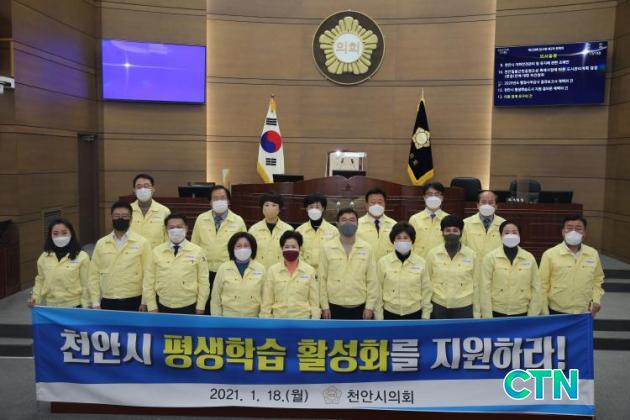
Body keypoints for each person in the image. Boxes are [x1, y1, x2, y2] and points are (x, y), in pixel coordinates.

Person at [191, 185, 247, 314]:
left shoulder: (238, 221)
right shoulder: (201, 219)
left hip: (227, 272)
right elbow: (194, 246)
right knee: (204, 307)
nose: (219, 201)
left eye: (223, 198)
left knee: (224, 306)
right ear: (210, 202)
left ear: (228, 201)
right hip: (204, 272)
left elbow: (243, 247)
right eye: (215, 198)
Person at [89, 201, 152, 311]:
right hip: (108, 300)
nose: (120, 219)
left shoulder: (142, 242)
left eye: (125, 216)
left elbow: (148, 274)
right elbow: (93, 274)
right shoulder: (101, 243)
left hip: (134, 300)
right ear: (111, 218)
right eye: (117, 216)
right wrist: (95, 302)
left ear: (131, 219)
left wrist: (145, 301)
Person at [319, 208, 380, 320]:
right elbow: (322, 279)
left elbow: (372, 280)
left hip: (361, 307)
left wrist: (369, 307)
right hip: (333, 306)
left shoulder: (367, 248)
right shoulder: (327, 248)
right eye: (344, 220)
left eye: (352, 220)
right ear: (337, 224)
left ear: (357, 224)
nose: (348, 223)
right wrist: (324, 306)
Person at [143, 214, 209, 314]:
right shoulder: (156, 251)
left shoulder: (198, 251)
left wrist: (201, 306)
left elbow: (203, 282)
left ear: (186, 228)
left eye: (179, 227)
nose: (175, 230)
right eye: (172, 227)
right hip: (162, 305)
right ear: (166, 230)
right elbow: (148, 281)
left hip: (189, 305)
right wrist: (152, 306)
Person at [539, 215, 604, 317]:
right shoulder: (550, 254)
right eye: (569, 228)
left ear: (584, 233)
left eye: (578, 228)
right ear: (563, 232)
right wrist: (544, 311)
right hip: (556, 311)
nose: (573, 232)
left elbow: (597, 280)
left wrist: (596, 300)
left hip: (584, 310)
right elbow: (542, 284)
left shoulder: (592, 253)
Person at [480, 221, 542, 318]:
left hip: (522, 311)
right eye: (507, 232)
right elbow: (485, 288)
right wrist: (487, 317)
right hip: (496, 311)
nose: (511, 235)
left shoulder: (529, 257)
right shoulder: (490, 257)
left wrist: (532, 315)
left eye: (514, 232)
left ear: (519, 235)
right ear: (501, 236)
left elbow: (536, 287)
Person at [425, 215, 480, 319]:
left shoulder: (471, 255)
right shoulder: (432, 254)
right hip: (438, 307)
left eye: (455, 230)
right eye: (447, 230)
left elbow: (476, 285)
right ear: (442, 232)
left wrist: (477, 313)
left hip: (464, 308)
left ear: (461, 232)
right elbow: (427, 283)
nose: (451, 233)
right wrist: (426, 311)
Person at [27, 219, 90, 308]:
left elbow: (86, 284)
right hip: (52, 306)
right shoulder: (44, 257)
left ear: (71, 234)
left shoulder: (82, 256)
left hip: (75, 306)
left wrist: (86, 307)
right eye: (55, 233)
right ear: (50, 236)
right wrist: (35, 298)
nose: (60, 237)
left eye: (64, 233)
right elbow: (40, 280)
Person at [377, 222, 432, 320]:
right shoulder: (383, 262)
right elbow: (378, 290)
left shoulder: (421, 262)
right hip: (389, 313)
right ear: (393, 241)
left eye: (406, 238)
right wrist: (379, 317)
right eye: (398, 238)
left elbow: (426, 291)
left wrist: (425, 316)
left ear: (412, 240)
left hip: (414, 313)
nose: (402, 241)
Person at [260, 231, 320, 319]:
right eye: (287, 247)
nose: (290, 249)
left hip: (303, 320)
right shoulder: (272, 271)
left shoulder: (310, 271)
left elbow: (314, 302)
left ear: (300, 248)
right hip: (279, 320)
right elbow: (267, 302)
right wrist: (267, 321)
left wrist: (314, 322)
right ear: (281, 248)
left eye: (294, 247)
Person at [210, 232, 265, 317]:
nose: (242, 249)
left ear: (252, 248)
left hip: (253, 319)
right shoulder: (223, 268)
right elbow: (215, 299)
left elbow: (266, 298)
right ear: (232, 248)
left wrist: (262, 320)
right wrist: (217, 320)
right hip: (227, 318)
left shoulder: (260, 268)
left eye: (246, 246)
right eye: (238, 246)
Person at [248, 192, 293, 268]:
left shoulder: (288, 230)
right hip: (259, 272)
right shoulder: (253, 229)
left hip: (281, 272)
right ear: (262, 208)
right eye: (267, 205)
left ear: (279, 209)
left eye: (274, 205)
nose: (270, 208)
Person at [295, 193, 338, 270]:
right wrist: (306, 270)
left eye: (317, 207)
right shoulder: (299, 231)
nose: (314, 210)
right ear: (306, 209)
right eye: (311, 207)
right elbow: (297, 252)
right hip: (305, 272)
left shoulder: (334, 231)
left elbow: (336, 253)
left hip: (326, 272)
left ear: (323, 208)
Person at [129, 173, 171, 249]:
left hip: (156, 255)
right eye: (139, 187)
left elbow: (168, 239)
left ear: (153, 189)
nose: (142, 189)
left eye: (146, 186)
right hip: (133, 254)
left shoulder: (164, 211)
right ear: (134, 190)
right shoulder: (128, 210)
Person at [409, 182, 449, 258]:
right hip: (419, 261)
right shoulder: (414, 219)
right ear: (424, 197)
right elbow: (409, 242)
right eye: (430, 194)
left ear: (442, 198)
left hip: (440, 261)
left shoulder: (448, 219)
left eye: (437, 194)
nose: (433, 197)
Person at [462, 190, 506, 259]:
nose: (487, 205)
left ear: (496, 206)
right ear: (478, 205)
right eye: (483, 202)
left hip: (494, 265)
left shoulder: (504, 224)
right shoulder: (465, 223)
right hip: (473, 264)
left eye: (491, 203)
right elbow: (462, 248)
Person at [357, 188, 397, 261]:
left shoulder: (394, 225)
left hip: (388, 266)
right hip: (365, 266)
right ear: (366, 205)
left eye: (380, 202)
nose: (376, 205)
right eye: (373, 202)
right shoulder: (357, 224)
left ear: (385, 204)